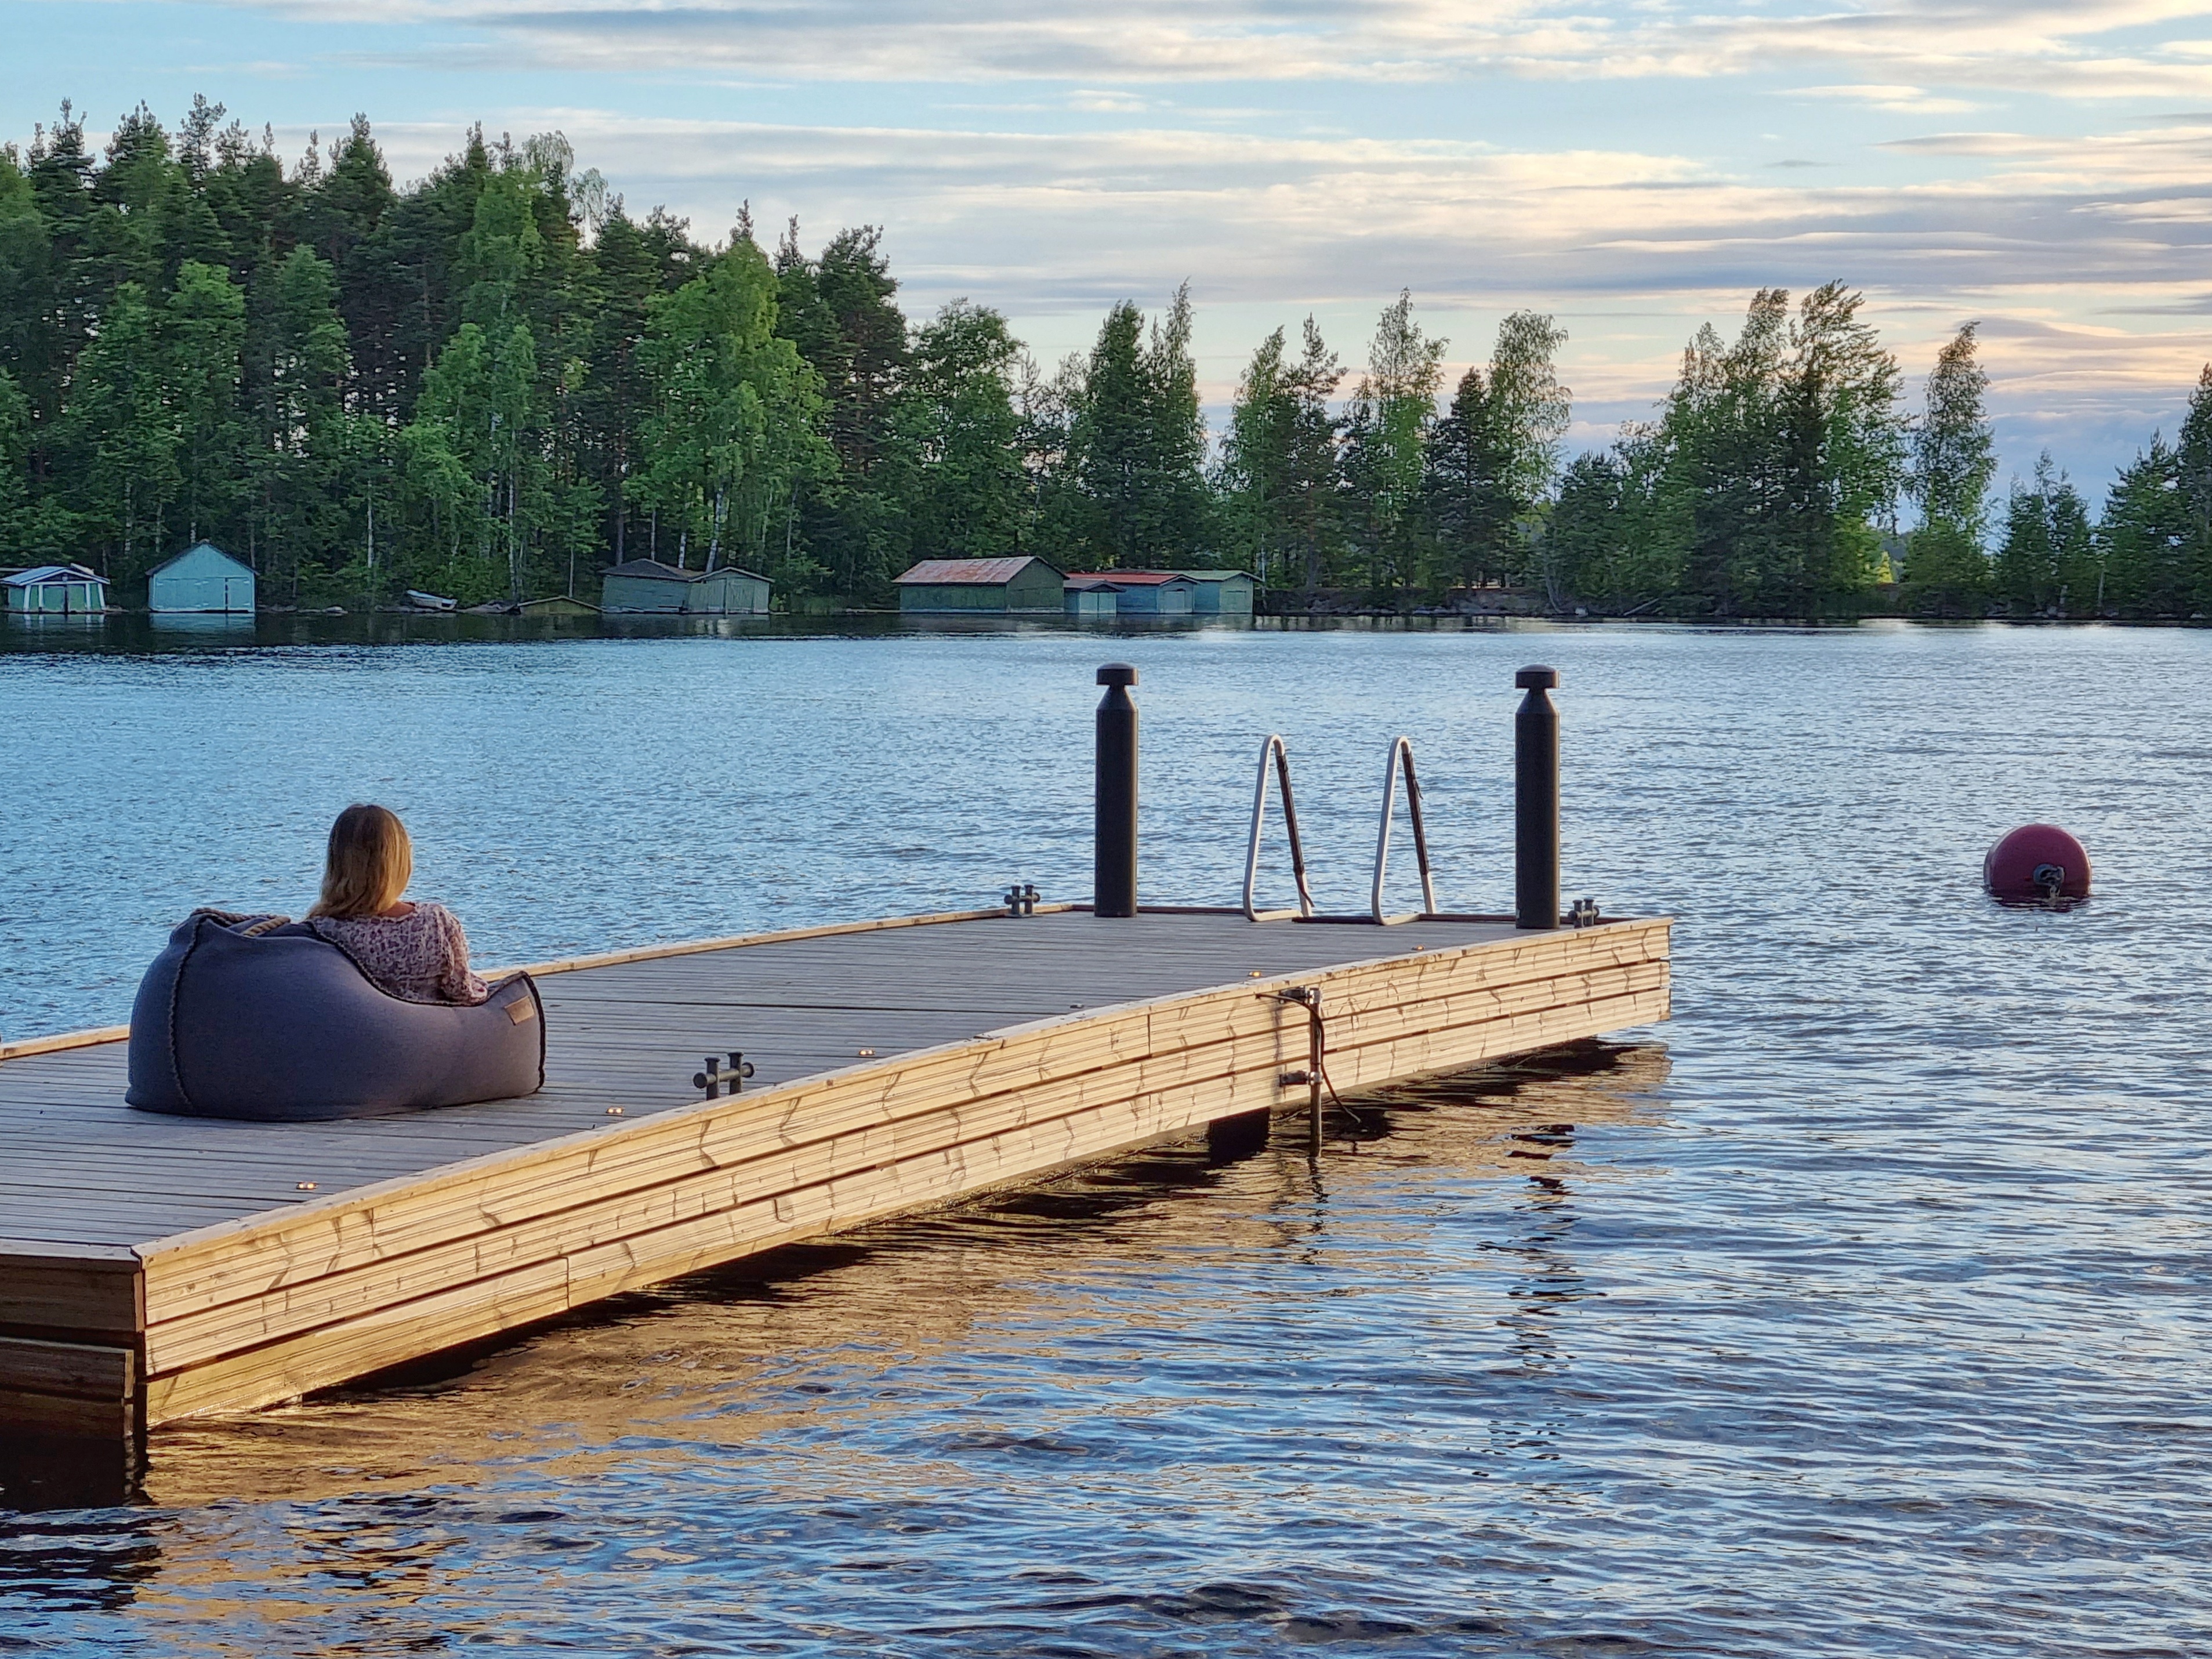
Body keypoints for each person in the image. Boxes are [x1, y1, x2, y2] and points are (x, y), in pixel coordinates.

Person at [305, 803, 489, 1005]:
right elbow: (463, 993)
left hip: (358, 1032)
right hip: (430, 1032)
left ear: (337, 863)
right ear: (400, 861)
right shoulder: (435, 923)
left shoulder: (319, 931)